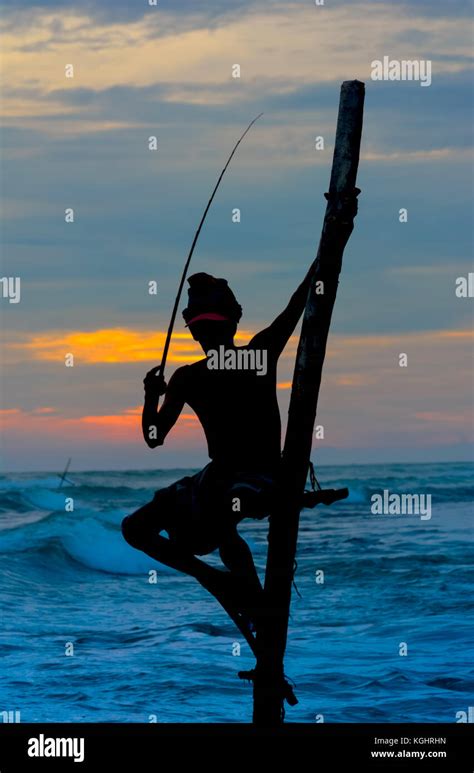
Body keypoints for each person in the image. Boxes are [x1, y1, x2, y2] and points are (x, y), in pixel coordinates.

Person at [121, 190, 359, 627]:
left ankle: (246, 591)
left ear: (211, 328)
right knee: (138, 526)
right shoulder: (214, 368)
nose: (202, 333)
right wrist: (150, 397)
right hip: (221, 476)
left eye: (203, 325)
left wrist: (336, 233)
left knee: (226, 507)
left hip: (259, 476)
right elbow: (154, 438)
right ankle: (219, 581)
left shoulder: (234, 362)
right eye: (202, 326)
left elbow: (301, 300)